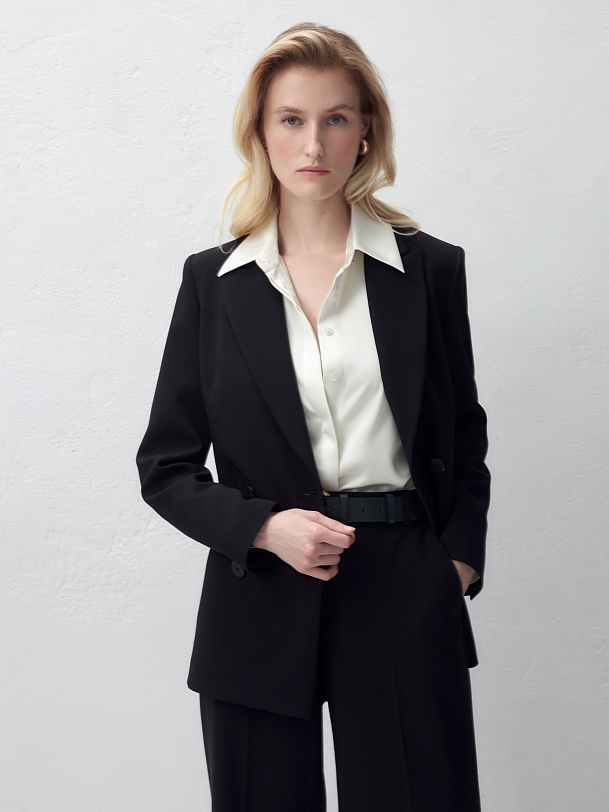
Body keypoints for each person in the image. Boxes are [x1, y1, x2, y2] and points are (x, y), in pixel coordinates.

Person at [136, 22, 490, 812]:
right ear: (259, 133)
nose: (313, 143)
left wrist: (455, 564)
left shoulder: (430, 269)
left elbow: (461, 431)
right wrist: (262, 527)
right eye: (290, 119)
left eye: (335, 118)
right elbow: (165, 467)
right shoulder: (212, 284)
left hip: (403, 584)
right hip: (259, 588)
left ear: (365, 130)